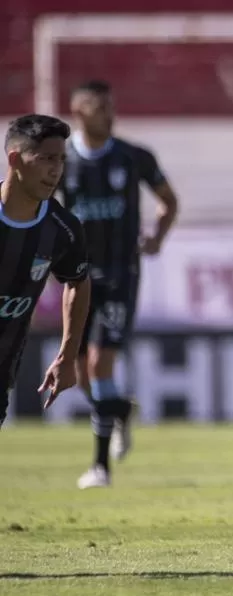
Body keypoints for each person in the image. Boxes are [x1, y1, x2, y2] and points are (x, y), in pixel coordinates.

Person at [59, 80, 179, 489]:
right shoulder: (62, 161)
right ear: (78, 110)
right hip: (77, 277)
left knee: (98, 363)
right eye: (99, 107)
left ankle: (100, 469)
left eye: (111, 106)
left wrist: (158, 237)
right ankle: (121, 412)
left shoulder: (134, 157)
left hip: (120, 274)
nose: (109, 114)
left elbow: (169, 201)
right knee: (79, 371)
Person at [0, 114, 91, 430]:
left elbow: (78, 282)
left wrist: (68, 354)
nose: (56, 170)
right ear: (15, 160)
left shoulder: (63, 229)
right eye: (46, 159)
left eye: (62, 160)